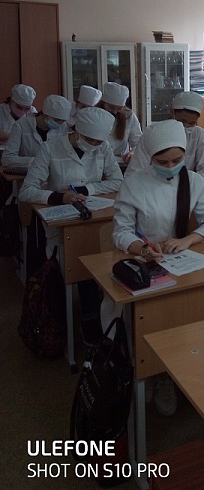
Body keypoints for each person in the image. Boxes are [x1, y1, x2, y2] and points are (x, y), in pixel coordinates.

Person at [111, 119, 204, 416]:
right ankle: (151, 372)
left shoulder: (193, 181)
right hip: (146, 261)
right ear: (151, 158)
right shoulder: (135, 183)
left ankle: (173, 371)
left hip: (182, 261)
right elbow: (120, 232)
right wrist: (141, 248)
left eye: (177, 160)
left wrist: (188, 240)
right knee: (152, 320)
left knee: (192, 313)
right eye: (163, 162)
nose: (171, 167)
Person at [19, 107, 123, 346]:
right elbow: (27, 191)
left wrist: (87, 189)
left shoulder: (103, 148)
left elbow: (118, 181)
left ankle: (95, 315)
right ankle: (82, 316)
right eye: (90, 140)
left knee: (101, 262)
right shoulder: (50, 148)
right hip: (62, 224)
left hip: (95, 217)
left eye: (98, 141)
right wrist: (59, 196)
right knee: (76, 266)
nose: (94, 145)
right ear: (77, 131)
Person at [125, 92, 204, 185]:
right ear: (172, 112)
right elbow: (133, 174)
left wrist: (183, 182)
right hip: (154, 187)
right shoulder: (152, 135)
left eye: (191, 123)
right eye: (182, 121)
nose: (186, 126)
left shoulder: (198, 134)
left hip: (186, 186)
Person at [3, 94, 72, 168]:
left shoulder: (63, 127)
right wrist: (38, 161)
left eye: (63, 121)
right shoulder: (21, 126)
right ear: (45, 114)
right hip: (27, 173)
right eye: (56, 120)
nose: (60, 124)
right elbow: (7, 159)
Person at [99, 82, 142, 163]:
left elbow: (138, 141)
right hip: (98, 161)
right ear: (103, 103)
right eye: (111, 107)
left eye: (119, 108)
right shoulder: (94, 115)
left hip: (121, 161)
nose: (115, 111)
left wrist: (133, 152)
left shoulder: (129, 116)